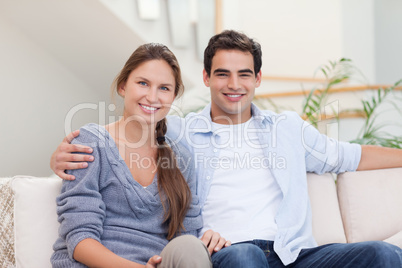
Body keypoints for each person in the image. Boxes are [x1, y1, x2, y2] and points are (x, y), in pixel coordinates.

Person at [51, 31, 402, 267]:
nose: (234, 85)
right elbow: (128, 130)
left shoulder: (289, 129)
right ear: (205, 78)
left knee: (384, 255)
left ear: (258, 79)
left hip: (295, 254)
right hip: (230, 253)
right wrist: (60, 155)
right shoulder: (179, 131)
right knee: (244, 258)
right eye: (222, 74)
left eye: (244, 74)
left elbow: (351, 156)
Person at [50, 43, 230, 268]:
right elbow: (79, 240)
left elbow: (186, 238)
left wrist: (206, 241)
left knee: (192, 246)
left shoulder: (181, 157)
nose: (152, 97)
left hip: (158, 264)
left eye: (164, 88)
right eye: (143, 83)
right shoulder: (91, 142)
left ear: (173, 96)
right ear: (124, 86)